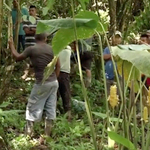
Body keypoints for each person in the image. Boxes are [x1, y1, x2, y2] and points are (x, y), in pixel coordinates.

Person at [9, 33, 60, 137]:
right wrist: (54, 78)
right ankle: (47, 134)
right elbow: (58, 66)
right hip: (54, 82)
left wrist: (11, 45)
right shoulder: (53, 49)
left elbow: (18, 57)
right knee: (50, 107)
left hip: (42, 82)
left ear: (35, 38)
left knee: (32, 107)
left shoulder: (32, 49)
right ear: (45, 38)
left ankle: (28, 134)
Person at [103, 31, 122, 95]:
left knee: (119, 95)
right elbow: (104, 57)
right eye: (115, 37)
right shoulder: (107, 48)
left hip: (119, 76)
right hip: (108, 75)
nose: (116, 39)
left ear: (120, 39)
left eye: (118, 38)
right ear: (112, 38)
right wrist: (112, 55)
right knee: (109, 94)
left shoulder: (122, 49)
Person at [58, 46, 72, 120]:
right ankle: (68, 113)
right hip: (65, 72)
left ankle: (53, 111)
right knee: (66, 93)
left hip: (56, 72)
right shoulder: (68, 49)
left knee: (55, 93)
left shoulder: (55, 48)